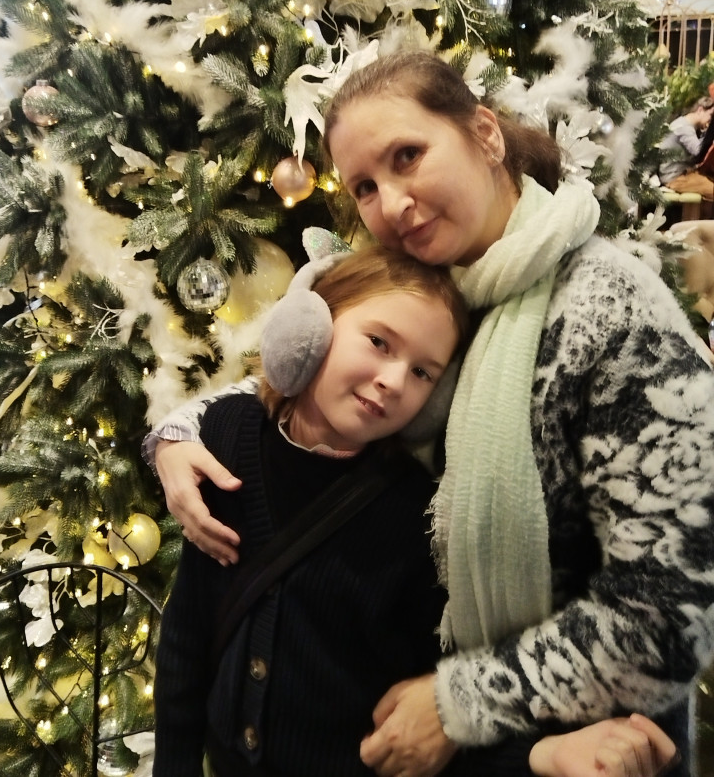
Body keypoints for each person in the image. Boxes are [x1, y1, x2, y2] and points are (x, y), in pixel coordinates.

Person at [147, 51, 714, 776]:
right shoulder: (432, 285)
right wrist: (174, 435)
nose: (391, 205)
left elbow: (670, 617)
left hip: (582, 753)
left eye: (407, 156)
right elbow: (293, 396)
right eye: (364, 187)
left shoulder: (612, 315)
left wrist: (459, 701)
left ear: (485, 134)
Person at [152, 244, 678, 777]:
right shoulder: (225, 433)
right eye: (379, 342)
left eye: (424, 372)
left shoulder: (414, 516)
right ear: (312, 326)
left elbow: (437, 716)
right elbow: (186, 633)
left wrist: (545, 756)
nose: (394, 380)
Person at [656, 96, 714, 199]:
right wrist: (709, 134)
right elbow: (699, 152)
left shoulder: (688, 126)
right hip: (675, 177)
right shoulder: (684, 127)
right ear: (700, 110)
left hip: (683, 173)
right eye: (711, 115)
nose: (711, 120)